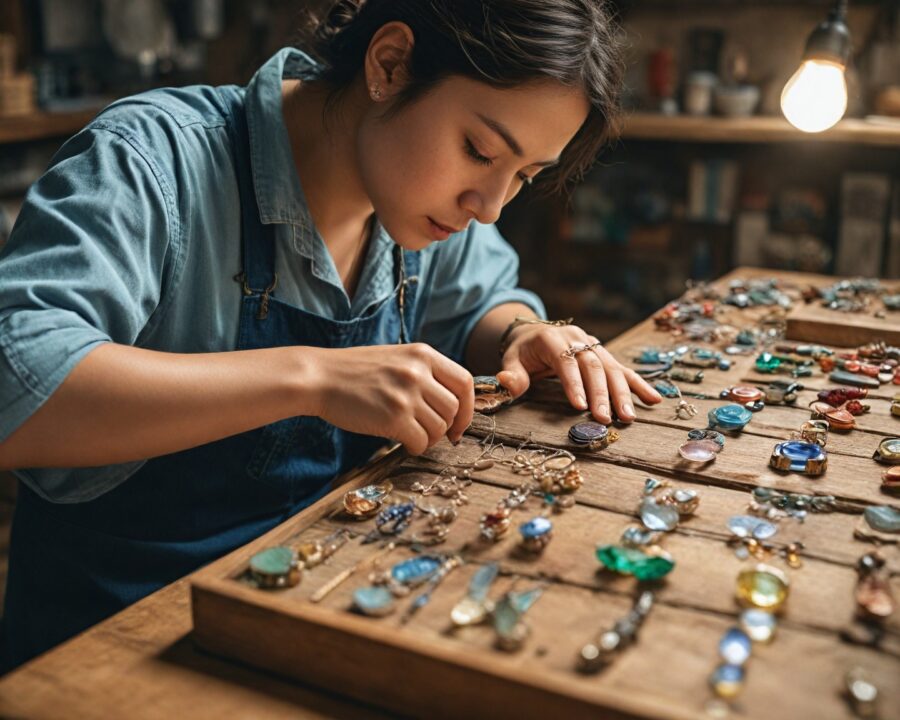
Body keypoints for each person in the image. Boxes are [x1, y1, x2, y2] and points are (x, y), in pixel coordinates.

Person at [0, 0, 661, 670]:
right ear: (390, 65)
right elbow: (17, 380)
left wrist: (520, 333)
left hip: (317, 609)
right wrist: (310, 379)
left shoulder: (418, 202)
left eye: (523, 177)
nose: (488, 205)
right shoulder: (151, 159)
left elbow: (481, 301)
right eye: (478, 151)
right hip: (114, 645)